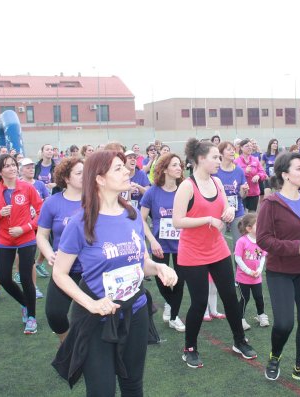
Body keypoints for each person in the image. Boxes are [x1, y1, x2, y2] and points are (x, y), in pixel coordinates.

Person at [52, 150, 177, 396]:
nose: (127, 171)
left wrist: (160, 267)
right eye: (118, 168)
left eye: (125, 167)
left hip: (136, 312)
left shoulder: (131, 215)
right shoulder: (80, 222)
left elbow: (139, 263)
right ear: (99, 178)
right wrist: (92, 303)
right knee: (102, 391)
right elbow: (60, 273)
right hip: (97, 319)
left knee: (132, 386)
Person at [173, 138, 256, 369]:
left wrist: (229, 210)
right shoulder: (187, 186)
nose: (219, 160)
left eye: (220, 157)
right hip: (192, 252)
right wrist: (208, 219)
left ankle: (239, 341)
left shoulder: (218, 182)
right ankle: (189, 348)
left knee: (230, 297)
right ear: (200, 159)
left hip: (217, 248)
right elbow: (177, 221)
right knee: (199, 302)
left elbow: (224, 208)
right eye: (215, 157)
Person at [256, 151, 300, 385]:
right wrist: (292, 246)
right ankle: (274, 357)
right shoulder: (271, 203)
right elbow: (263, 239)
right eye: (299, 168)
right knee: (284, 323)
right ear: (285, 174)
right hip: (280, 272)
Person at [0, 154, 44, 334]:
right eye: (7, 166)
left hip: (26, 238)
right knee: (4, 278)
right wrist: (0, 214)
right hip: (5, 240)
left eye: (13, 165)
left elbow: (42, 211)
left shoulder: (27, 187)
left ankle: (32, 318)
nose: (12, 168)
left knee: (26, 277)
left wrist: (26, 227)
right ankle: (25, 304)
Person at [36, 157, 84, 342]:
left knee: (93, 316)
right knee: (55, 315)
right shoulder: (52, 202)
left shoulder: (96, 199)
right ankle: (67, 345)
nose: (84, 176)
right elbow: (41, 235)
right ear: (66, 177)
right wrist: (49, 254)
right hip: (64, 270)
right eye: (79, 173)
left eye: (85, 172)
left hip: (91, 269)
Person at [140, 153, 186, 332]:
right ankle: (170, 304)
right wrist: (152, 241)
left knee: (180, 281)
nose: (179, 168)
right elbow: (142, 219)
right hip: (160, 244)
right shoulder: (152, 192)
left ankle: (174, 316)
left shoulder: (184, 189)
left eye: (180, 165)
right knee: (162, 280)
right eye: (174, 165)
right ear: (165, 169)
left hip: (182, 244)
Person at [234, 213, 268, 330]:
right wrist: (248, 271)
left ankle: (261, 315)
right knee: (245, 298)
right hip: (243, 278)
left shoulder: (261, 241)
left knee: (259, 296)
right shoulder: (242, 241)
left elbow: (263, 256)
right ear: (249, 228)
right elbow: (237, 258)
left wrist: (259, 270)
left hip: (256, 277)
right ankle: (240, 318)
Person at [215, 141, 249, 249]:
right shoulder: (215, 170)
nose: (232, 151)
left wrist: (244, 190)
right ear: (221, 153)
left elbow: (242, 196)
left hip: (237, 211)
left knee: (239, 244)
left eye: (233, 149)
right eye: (229, 149)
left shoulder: (239, 170)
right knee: (217, 243)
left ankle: (239, 265)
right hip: (219, 212)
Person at [235, 139, 266, 213]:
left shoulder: (255, 160)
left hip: (254, 192)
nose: (250, 148)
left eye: (250, 146)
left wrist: (258, 176)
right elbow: (234, 176)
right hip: (242, 193)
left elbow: (263, 173)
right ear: (241, 148)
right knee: (241, 215)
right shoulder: (236, 161)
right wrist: (244, 172)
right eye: (247, 146)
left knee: (252, 216)